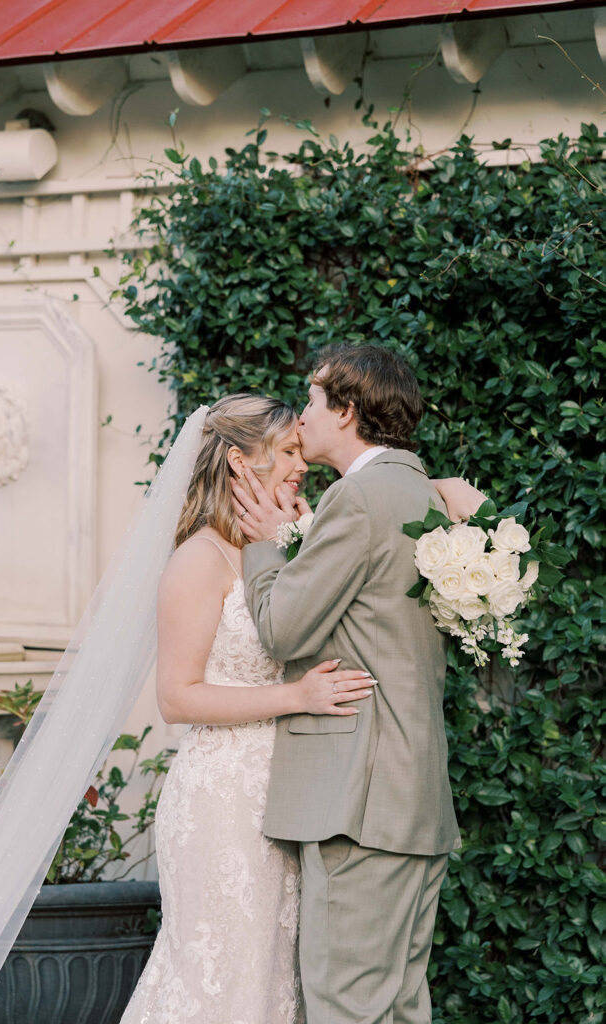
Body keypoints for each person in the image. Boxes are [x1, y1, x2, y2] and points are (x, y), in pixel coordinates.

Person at [122, 389, 482, 1024]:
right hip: (225, 799)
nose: (301, 464)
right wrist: (296, 696)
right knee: (223, 979)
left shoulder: (297, 542)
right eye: (287, 451)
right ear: (239, 463)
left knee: (282, 986)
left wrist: (442, 492)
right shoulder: (198, 560)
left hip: (297, 796)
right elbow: (177, 697)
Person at [233, 345, 466, 1024]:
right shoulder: (421, 492)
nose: (301, 417)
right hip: (414, 797)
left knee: (345, 1007)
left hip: (360, 805)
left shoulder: (358, 499)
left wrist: (265, 542)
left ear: (346, 409)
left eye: (310, 402)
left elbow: (282, 629)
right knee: (395, 1008)